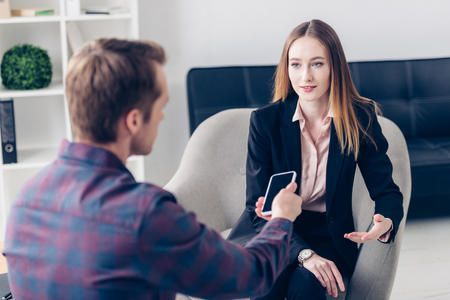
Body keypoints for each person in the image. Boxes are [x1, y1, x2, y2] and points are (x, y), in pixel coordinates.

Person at [3, 38, 304, 300]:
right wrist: (281, 217)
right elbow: (251, 276)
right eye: (160, 105)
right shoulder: (144, 214)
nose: (161, 117)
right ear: (134, 121)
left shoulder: (27, 196)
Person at [227, 19, 404, 300]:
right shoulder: (265, 122)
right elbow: (256, 210)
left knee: (307, 286)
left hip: (329, 234)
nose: (305, 76)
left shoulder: (360, 117)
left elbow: (387, 191)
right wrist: (304, 254)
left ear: (335, 66)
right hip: (275, 229)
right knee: (266, 286)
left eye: (317, 64)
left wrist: (387, 221)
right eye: (296, 64)